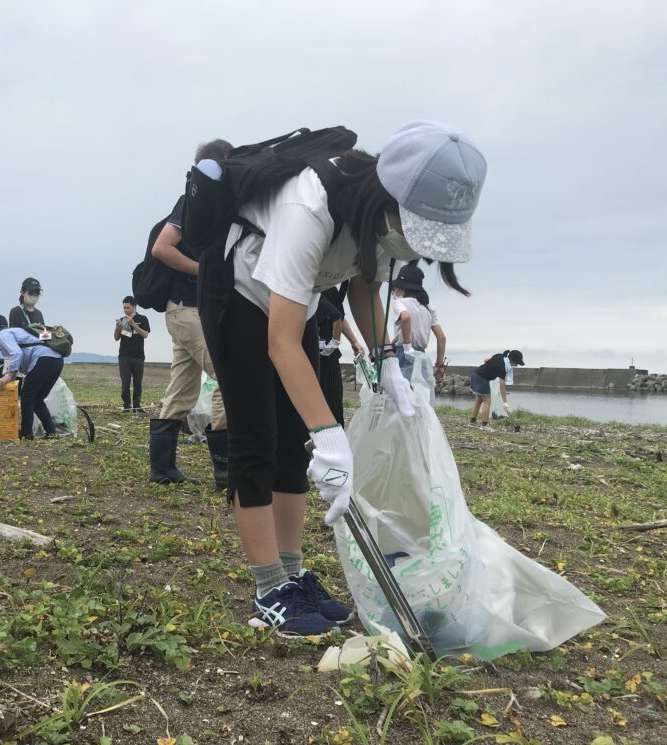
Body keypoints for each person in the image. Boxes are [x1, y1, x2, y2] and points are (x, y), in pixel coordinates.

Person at [197, 121, 487, 636]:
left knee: (292, 445)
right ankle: (269, 587)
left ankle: (292, 572)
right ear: (389, 197)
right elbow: (280, 342)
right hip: (239, 295)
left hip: (299, 302)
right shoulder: (309, 207)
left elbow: (361, 291)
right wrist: (329, 436)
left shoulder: (375, 217)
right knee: (257, 440)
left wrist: (388, 363)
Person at [149, 139, 233, 487]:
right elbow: (161, 248)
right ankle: (226, 469)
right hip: (187, 310)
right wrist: (206, 272)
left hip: (191, 310)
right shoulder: (192, 203)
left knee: (181, 389)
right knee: (231, 377)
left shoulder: (215, 205)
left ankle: (162, 468)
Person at [0, 326, 63, 439]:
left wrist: (8, 376)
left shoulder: (1, 336)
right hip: (56, 361)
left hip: (43, 359)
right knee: (37, 400)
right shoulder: (4, 346)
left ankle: (26, 433)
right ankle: (51, 432)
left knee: (27, 397)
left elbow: (17, 354)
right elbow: (11, 369)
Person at [389, 264, 446, 383]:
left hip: (403, 353)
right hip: (421, 355)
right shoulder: (428, 308)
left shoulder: (399, 302)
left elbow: (406, 317)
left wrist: (407, 347)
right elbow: (441, 338)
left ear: (402, 288)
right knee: (420, 396)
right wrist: (439, 365)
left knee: (402, 395)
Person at [315, 286, 363, 426]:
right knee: (330, 400)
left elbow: (339, 317)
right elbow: (337, 317)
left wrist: (354, 341)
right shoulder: (314, 284)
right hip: (318, 350)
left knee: (332, 401)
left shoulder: (330, 288)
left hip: (326, 352)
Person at [469, 350, 524, 427]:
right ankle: (485, 425)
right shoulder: (503, 368)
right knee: (487, 402)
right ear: (512, 360)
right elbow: (502, 387)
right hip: (482, 378)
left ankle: (472, 422)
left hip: (475, 374)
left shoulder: (499, 355)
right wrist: (505, 402)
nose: (517, 365)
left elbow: (486, 360)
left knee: (478, 400)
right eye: (517, 363)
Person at [114, 296, 150, 411]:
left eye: (128, 307)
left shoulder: (143, 319)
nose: (126, 310)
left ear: (134, 307)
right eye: (124, 308)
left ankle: (137, 406)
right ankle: (126, 406)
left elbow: (145, 334)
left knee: (137, 383)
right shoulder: (122, 319)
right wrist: (117, 328)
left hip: (138, 356)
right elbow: (116, 338)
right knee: (125, 383)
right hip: (124, 356)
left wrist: (134, 324)